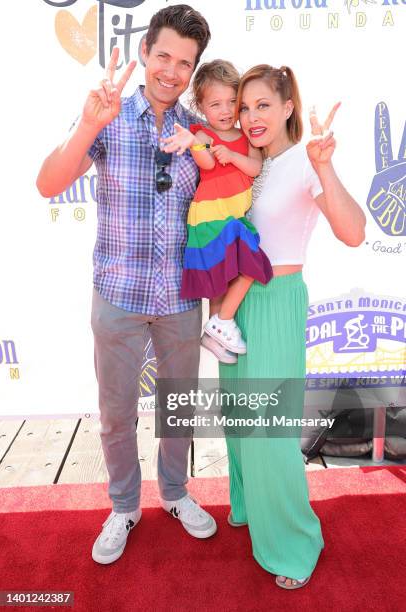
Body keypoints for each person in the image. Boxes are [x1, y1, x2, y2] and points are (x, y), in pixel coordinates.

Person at [36, 4, 217, 565]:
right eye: (163, 55)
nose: (171, 71)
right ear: (144, 54)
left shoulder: (199, 129)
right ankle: (123, 506)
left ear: (192, 71)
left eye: (184, 63)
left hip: (182, 299)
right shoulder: (108, 113)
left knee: (179, 406)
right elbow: (48, 183)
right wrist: (90, 122)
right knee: (116, 411)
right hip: (117, 295)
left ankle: (176, 493)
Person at [219, 64, 366, 589]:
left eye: (263, 105)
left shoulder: (306, 162)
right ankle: (253, 509)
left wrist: (325, 167)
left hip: (277, 303)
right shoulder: (254, 164)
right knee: (239, 421)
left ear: (287, 109)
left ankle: (294, 542)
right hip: (237, 307)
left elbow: (352, 232)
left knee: (269, 432)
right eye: (244, 107)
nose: (251, 116)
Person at [161, 60, 272, 364]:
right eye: (215, 104)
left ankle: (215, 330)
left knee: (229, 270)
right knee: (236, 266)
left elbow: (255, 167)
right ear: (201, 106)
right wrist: (198, 146)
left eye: (232, 102)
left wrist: (233, 155)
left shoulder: (246, 135)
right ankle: (220, 321)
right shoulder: (204, 134)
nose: (225, 111)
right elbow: (206, 164)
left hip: (231, 216)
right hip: (211, 214)